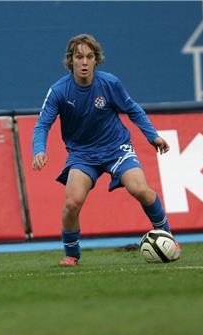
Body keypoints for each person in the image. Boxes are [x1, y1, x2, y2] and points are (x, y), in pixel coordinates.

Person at [32, 34, 174, 266]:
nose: (85, 62)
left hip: (116, 148)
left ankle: (167, 237)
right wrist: (39, 149)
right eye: (79, 57)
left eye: (89, 57)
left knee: (139, 189)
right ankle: (71, 255)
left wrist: (153, 136)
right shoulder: (59, 91)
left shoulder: (109, 83)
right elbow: (42, 124)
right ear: (71, 61)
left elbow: (133, 109)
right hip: (82, 154)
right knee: (72, 203)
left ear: (96, 60)